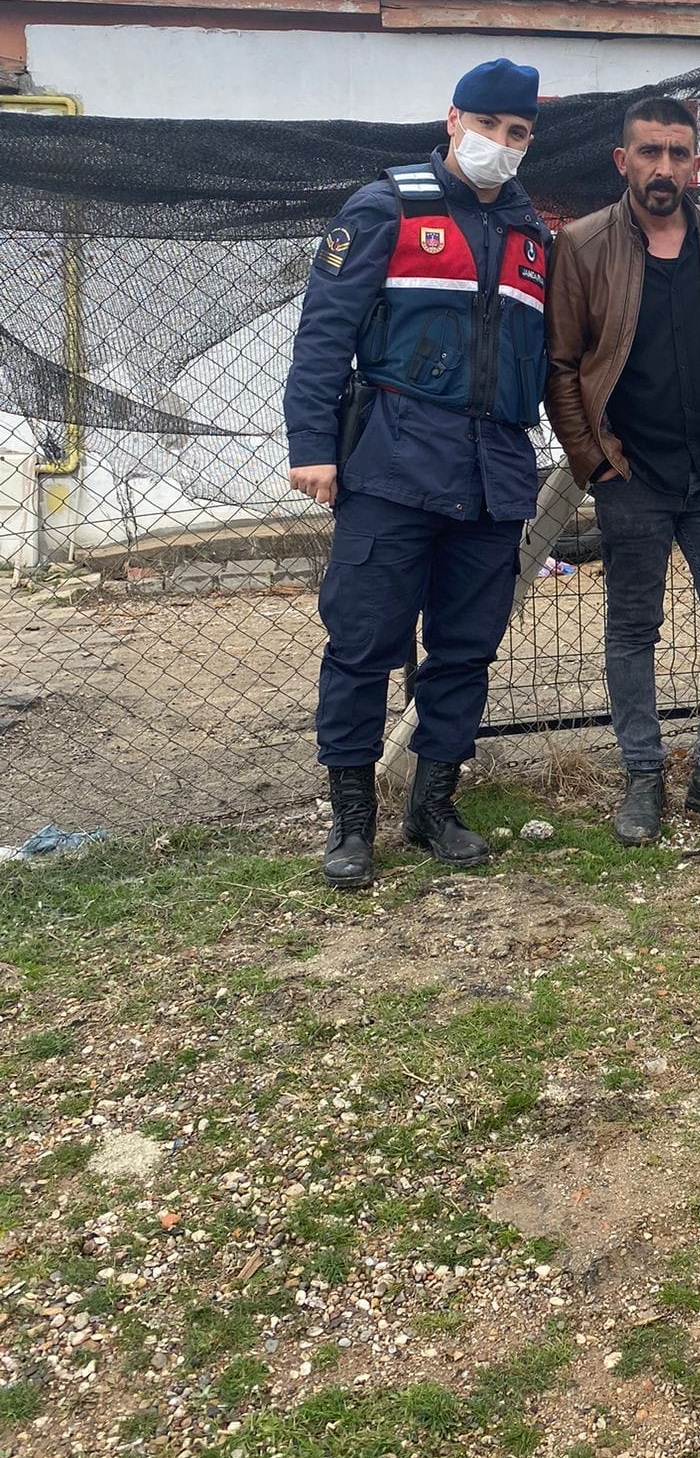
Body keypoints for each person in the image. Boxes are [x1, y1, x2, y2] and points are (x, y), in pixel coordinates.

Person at [283, 59, 549, 889]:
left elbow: (548, 357)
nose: (500, 148)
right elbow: (324, 334)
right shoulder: (386, 207)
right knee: (363, 647)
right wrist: (311, 446)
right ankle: (352, 824)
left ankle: (433, 806)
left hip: (495, 475)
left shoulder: (532, 237)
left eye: (518, 136)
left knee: (466, 652)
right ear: (452, 119)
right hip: (393, 468)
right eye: (490, 128)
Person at [545, 95, 700, 844]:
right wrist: (594, 463)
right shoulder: (583, 245)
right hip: (634, 477)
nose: (663, 168)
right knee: (633, 628)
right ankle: (643, 777)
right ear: (623, 161)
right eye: (648, 153)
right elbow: (559, 368)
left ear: (695, 162)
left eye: (676, 153)